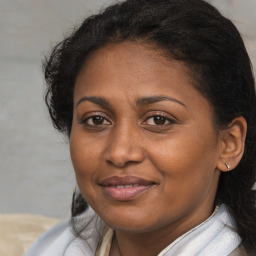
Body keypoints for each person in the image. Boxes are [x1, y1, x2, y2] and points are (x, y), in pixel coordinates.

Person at [24, 0, 256, 255]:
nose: (120, 153)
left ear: (229, 144)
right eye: (96, 120)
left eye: (159, 120)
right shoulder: (53, 247)